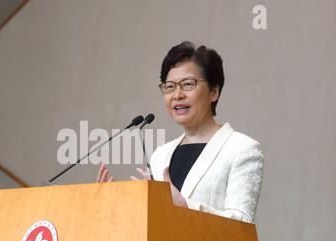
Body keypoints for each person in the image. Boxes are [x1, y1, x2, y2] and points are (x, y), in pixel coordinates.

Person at [97, 41, 264, 224]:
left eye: (187, 84)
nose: (177, 95)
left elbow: (242, 225)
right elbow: (155, 224)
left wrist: (185, 205)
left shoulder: (242, 149)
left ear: (214, 92)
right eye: (169, 86)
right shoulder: (160, 155)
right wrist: (112, 206)